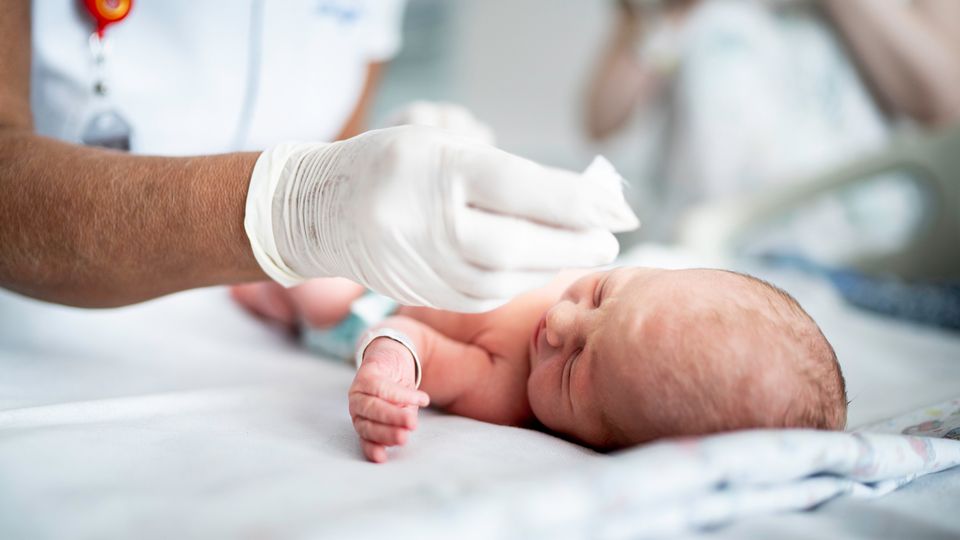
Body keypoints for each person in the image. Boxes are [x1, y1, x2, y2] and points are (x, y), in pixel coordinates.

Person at [0, 0, 638, 314]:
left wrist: (379, 165)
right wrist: (297, 209)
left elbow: (338, 136)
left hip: (266, 339)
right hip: (43, 323)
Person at [232, 265, 846, 463]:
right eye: (602, 294)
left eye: (577, 367)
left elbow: (411, 335)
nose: (560, 322)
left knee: (317, 289)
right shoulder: (628, 307)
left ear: (600, 440)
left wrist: (387, 372)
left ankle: (261, 293)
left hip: (374, 298)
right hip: (423, 255)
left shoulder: (507, 392)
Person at [586, 0, 960, 255]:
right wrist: (673, 19)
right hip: (705, 243)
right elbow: (601, 119)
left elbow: (945, 103)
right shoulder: (679, 11)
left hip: (857, 252)